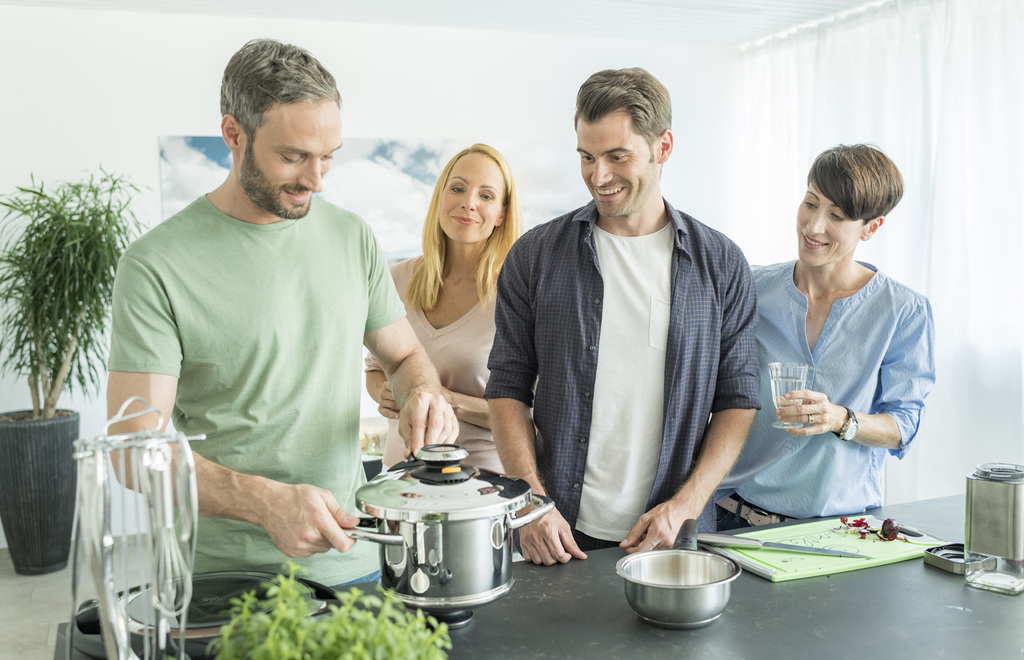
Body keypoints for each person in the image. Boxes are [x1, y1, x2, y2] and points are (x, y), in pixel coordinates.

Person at [106, 39, 457, 587]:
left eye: (329, 157)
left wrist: (422, 394)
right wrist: (263, 502)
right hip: (222, 580)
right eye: (293, 157)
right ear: (233, 134)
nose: (316, 180)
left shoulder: (352, 237)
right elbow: (133, 450)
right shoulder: (155, 265)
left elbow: (405, 353)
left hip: (354, 561)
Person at [484, 68, 761, 565]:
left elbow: (738, 399)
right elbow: (507, 386)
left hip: (674, 533)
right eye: (586, 157)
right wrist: (527, 502)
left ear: (664, 147)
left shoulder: (721, 264)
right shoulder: (535, 256)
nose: (599, 176)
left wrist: (686, 505)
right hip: (557, 532)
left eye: (617, 157)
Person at [716, 144, 936, 529]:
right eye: (810, 203)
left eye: (836, 215)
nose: (813, 226)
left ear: (871, 227)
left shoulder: (903, 311)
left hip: (838, 530)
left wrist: (840, 418)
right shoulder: (751, 287)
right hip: (733, 517)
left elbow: (904, 427)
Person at [365, 144, 524, 471]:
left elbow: (536, 419)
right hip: (400, 489)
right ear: (441, 196)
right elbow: (375, 369)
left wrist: (446, 401)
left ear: (502, 214)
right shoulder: (395, 280)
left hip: (482, 493)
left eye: (487, 196)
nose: (469, 203)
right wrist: (383, 391)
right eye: (458, 188)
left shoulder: (518, 295)